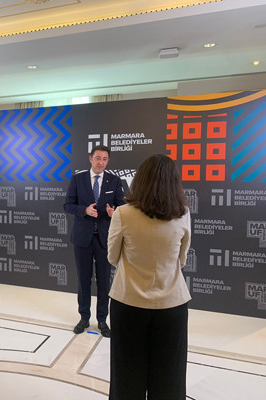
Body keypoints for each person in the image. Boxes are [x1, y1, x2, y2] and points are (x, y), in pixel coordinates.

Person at [107, 154, 191, 400]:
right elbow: (182, 260)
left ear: (140, 180)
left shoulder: (123, 213)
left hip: (128, 302)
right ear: (174, 182)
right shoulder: (183, 213)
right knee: (170, 380)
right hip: (172, 305)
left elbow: (112, 256)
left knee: (126, 377)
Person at [64, 145, 125, 337]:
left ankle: (102, 320)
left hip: (105, 239)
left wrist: (114, 212)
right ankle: (84, 318)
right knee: (83, 279)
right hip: (82, 238)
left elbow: (122, 205)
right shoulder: (78, 179)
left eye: (105, 159)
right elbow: (67, 205)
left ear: (108, 161)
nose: (101, 162)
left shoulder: (114, 180)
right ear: (90, 158)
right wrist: (84, 210)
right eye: (98, 158)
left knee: (104, 281)